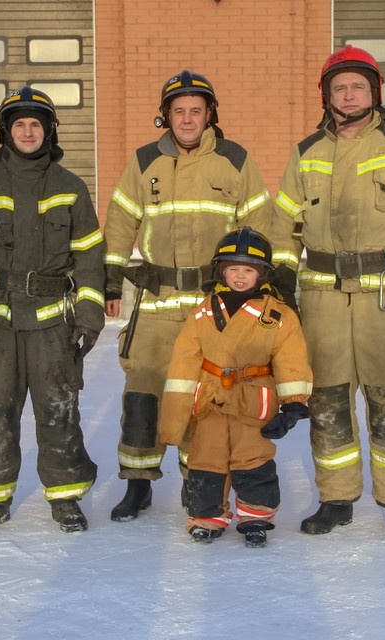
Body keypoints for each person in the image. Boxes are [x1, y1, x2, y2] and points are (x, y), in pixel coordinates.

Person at [270, 45, 385, 541]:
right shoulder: (307, 152)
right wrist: (281, 279)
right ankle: (336, 499)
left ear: (375, 93)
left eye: (358, 87)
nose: (348, 95)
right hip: (322, 300)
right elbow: (283, 224)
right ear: (326, 96)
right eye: (339, 87)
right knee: (327, 402)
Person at [103, 70, 274, 522]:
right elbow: (120, 221)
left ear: (209, 114)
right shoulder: (145, 162)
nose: (187, 119)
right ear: (166, 116)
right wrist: (110, 278)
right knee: (143, 395)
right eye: (178, 111)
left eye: (196, 111)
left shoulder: (235, 161)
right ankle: (137, 485)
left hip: (212, 304)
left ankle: (197, 482)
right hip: (156, 301)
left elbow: (259, 224)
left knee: (203, 398)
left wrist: (257, 285)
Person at [0, 86, 105, 535]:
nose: (29, 132)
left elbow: (90, 257)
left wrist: (89, 317)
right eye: (20, 124)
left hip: (54, 322)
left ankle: (66, 497)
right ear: (6, 131)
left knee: (58, 409)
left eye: (37, 124)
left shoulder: (70, 188)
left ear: (49, 131)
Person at [158, 228, 313, 547]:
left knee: (253, 459)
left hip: (254, 401)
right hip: (210, 399)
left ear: (262, 274)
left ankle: (256, 518)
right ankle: (206, 518)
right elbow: (183, 365)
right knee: (206, 459)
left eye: (248, 270)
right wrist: (174, 416)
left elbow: (291, 359)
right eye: (233, 269)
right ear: (221, 271)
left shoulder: (279, 315)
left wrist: (294, 403)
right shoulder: (202, 312)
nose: (240, 276)